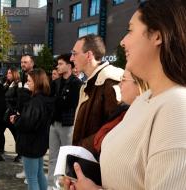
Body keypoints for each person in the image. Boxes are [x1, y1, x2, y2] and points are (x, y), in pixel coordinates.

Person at [64, 0, 186, 189]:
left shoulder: (177, 108)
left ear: (157, 36)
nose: (122, 41)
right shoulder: (145, 100)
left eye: (130, 30)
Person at [70, 34, 124, 158]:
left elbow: (117, 130)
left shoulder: (110, 81)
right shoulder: (91, 82)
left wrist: (83, 147)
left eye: (75, 53)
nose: (72, 58)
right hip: (89, 158)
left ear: (88, 55)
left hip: (100, 163)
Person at [10, 68, 54, 190]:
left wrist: (17, 119)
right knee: (39, 174)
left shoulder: (35, 102)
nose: (27, 83)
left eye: (29, 81)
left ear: (37, 82)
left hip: (30, 144)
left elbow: (27, 123)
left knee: (32, 178)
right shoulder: (44, 99)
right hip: (39, 143)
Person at [48, 54, 82, 189]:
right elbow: (51, 101)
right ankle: (52, 185)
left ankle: (67, 185)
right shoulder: (55, 82)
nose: (58, 66)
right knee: (53, 157)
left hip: (68, 124)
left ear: (69, 66)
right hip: (54, 123)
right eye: (58, 63)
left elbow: (70, 103)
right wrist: (58, 101)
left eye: (61, 63)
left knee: (68, 158)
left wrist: (57, 101)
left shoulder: (76, 83)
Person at [93, 70, 148, 154]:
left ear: (139, 84)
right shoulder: (124, 112)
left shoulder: (143, 118)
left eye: (124, 79)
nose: (119, 84)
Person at [15, 54, 35, 180]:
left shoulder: (36, 75)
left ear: (32, 63)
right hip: (21, 114)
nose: (23, 64)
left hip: (31, 114)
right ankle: (25, 170)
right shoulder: (22, 76)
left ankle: (31, 174)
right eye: (22, 62)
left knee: (31, 146)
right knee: (23, 145)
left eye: (26, 62)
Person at [0, 67, 23, 162]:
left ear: (15, 74)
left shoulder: (18, 84)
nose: (8, 75)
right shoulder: (6, 84)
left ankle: (20, 154)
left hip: (11, 113)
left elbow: (19, 99)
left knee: (15, 134)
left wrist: (16, 110)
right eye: (7, 73)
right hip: (3, 113)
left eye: (10, 73)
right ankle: (0, 152)